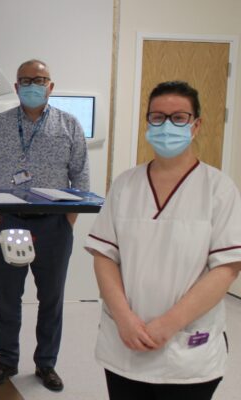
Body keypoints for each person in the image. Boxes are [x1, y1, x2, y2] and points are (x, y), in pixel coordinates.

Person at [85, 81, 241, 400]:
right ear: (148, 123)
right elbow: (104, 256)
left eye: (179, 117)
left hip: (187, 343)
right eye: (157, 117)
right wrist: (125, 319)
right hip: (125, 340)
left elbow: (227, 267)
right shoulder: (126, 184)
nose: (167, 125)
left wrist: (168, 324)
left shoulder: (218, 189)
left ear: (196, 125)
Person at [0, 59, 90, 391]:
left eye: (40, 80)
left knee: (52, 299)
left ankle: (46, 364)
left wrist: (68, 220)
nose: (33, 86)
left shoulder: (69, 125)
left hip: (54, 225)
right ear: (16, 87)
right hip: (10, 221)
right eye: (26, 80)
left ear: (51, 86)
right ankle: (7, 360)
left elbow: (80, 176)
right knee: (7, 297)